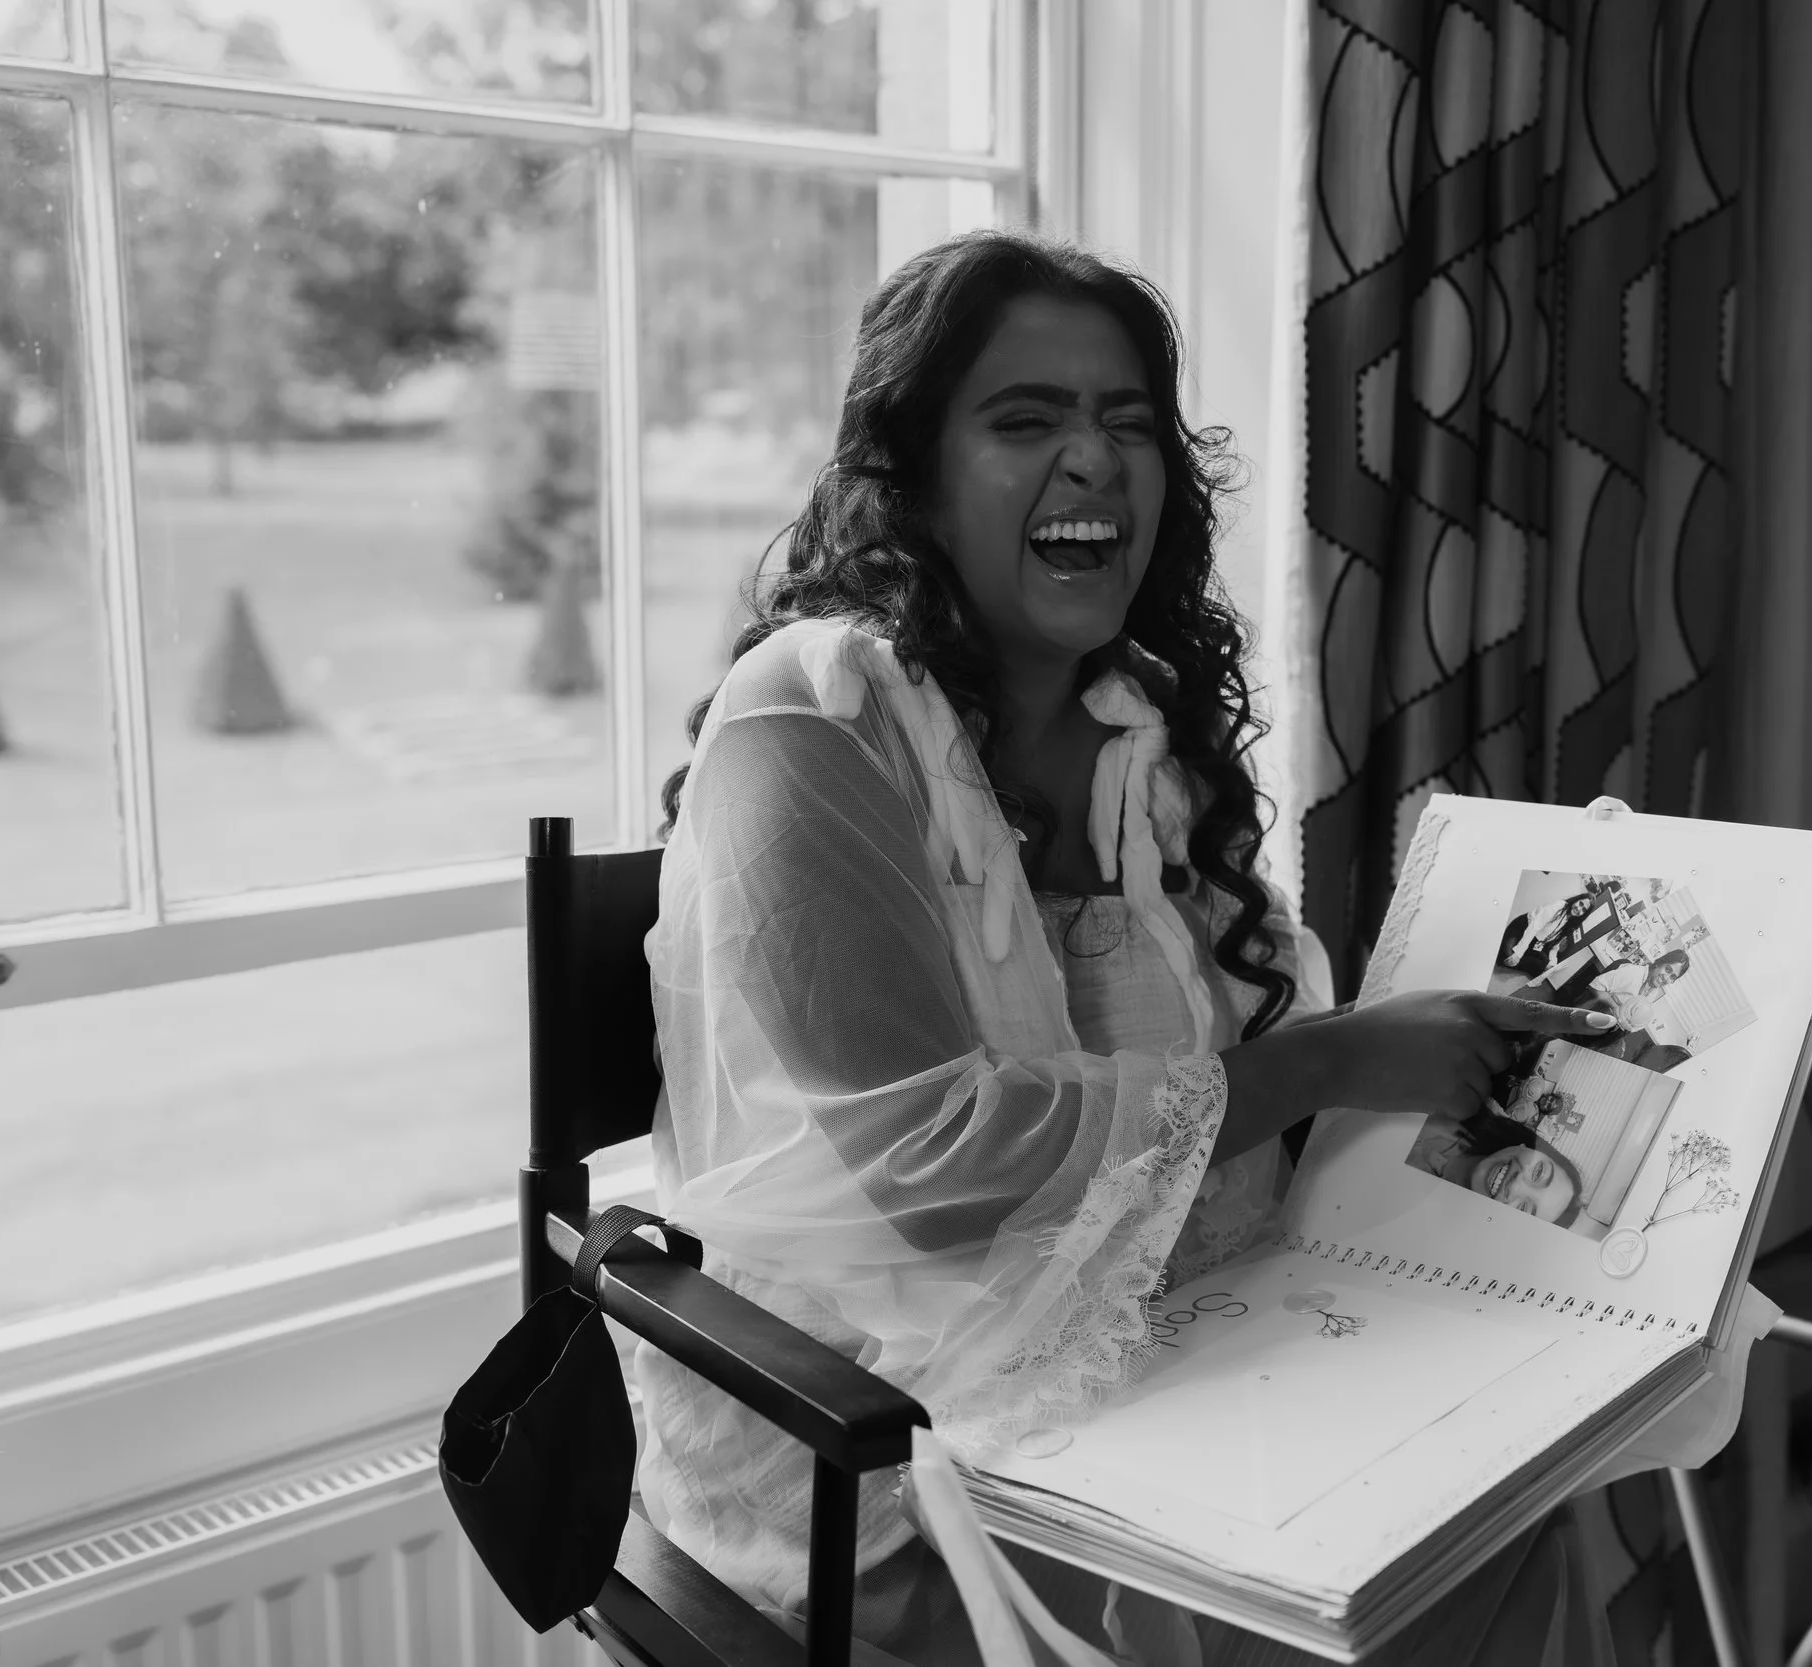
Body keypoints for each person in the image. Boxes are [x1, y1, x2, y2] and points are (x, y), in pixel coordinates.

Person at [640, 230, 1624, 1666]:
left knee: (1507, 1505)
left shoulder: (1135, 730)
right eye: (1026, 420)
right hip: (885, 1440)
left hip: (1178, 1354)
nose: (1095, 461)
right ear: (906, 476)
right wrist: (1335, 1062)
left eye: (1129, 423)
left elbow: (1213, 1066)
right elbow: (927, 1166)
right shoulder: (816, 716)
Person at [1405, 1111, 1586, 1227]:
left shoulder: (1419, 1222)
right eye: (1538, 1172)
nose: (1515, 1186)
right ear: (1528, 1147)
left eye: (1523, 1209)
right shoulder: (1459, 1104)